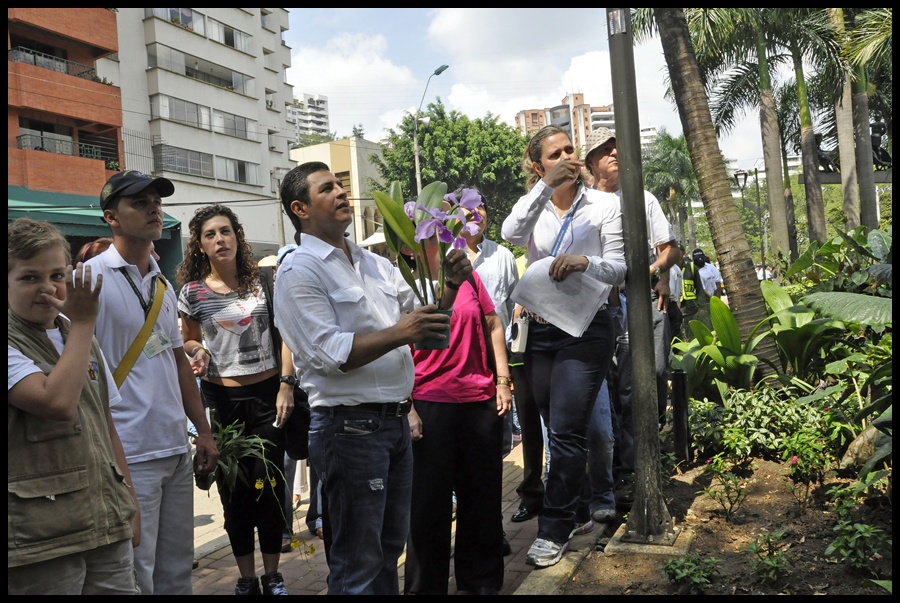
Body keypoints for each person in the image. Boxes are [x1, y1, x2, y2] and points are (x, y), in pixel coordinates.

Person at [273, 161, 472, 595]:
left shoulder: (374, 262)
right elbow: (330, 353)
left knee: (387, 552)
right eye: (327, 188)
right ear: (300, 209)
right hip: (350, 430)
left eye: (340, 185)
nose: (342, 192)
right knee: (358, 565)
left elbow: (424, 317)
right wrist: (403, 332)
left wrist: (452, 285)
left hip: (395, 423)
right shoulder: (298, 270)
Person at [84, 170, 218, 595]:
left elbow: (177, 360)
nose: (153, 209)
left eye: (156, 202)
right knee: (136, 571)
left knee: (176, 570)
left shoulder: (161, 282)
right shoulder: (90, 280)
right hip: (128, 451)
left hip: (174, 446)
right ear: (111, 217)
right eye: (139, 203)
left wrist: (203, 432)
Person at [501, 125, 626, 568]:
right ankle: (577, 509)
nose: (568, 157)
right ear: (539, 166)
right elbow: (511, 233)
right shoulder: (534, 204)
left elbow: (620, 268)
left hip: (587, 328)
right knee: (557, 427)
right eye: (555, 154)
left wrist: (584, 262)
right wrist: (544, 189)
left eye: (571, 149)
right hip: (541, 329)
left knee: (567, 432)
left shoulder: (605, 205)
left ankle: (553, 529)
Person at [7, 218, 140, 595]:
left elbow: (105, 424)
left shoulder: (77, 335)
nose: (47, 288)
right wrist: (83, 323)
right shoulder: (75, 330)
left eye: (56, 275)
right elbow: (56, 402)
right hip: (42, 537)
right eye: (29, 277)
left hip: (104, 522)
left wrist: (129, 502)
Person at [175, 204, 292, 595]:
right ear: (200, 246)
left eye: (225, 231)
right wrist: (197, 351)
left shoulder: (264, 282)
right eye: (210, 235)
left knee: (270, 487)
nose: (219, 239)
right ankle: (246, 577)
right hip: (223, 403)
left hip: (268, 397)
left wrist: (286, 384)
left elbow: (287, 334)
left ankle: (272, 575)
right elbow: (188, 339)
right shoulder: (191, 292)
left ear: (237, 237)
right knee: (235, 493)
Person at [403, 225, 512, 595]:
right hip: (429, 404)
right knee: (427, 508)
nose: (439, 240)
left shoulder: (468, 277)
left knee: (481, 502)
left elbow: (494, 324)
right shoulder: (405, 286)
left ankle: (481, 585)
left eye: (440, 232)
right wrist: (407, 406)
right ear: (409, 246)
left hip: (478, 401)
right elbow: (397, 351)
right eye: (427, 235)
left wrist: (502, 379)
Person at [582, 127, 682, 513]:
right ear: (590, 162)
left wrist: (652, 271)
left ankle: (639, 466)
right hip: (595, 307)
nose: (614, 153)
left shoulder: (642, 198)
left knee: (643, 380)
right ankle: (612, 476)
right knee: (605, 391)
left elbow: (670, 249)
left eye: (617, 147)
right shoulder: (582, 203)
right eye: (604, 150)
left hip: (638, 300)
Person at [680, 248, 721, 334]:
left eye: (701, 257)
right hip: (702, 302)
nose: (700, 259)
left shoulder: (710, 267)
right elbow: (701, 289)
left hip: (712, 300)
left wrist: (717, 299)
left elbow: (717, 283)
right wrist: (712, 299)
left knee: (715, 325)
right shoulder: (693, 269)